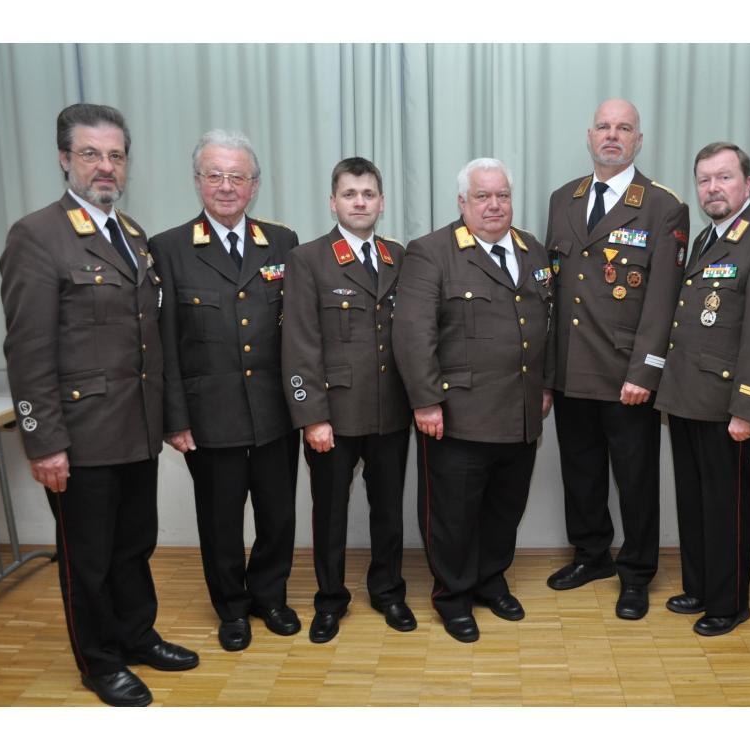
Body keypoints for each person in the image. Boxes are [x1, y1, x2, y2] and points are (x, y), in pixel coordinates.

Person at [0, 103, 198, 707]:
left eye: (115, 155)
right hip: (80, 436)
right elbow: (28, 350)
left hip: (134, 429)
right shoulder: (37, 235)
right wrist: (44, 442)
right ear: (65, 159)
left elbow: (147, 340)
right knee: (86, 559)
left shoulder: (131, 235)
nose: (105, 166)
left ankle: (137, 635)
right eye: (91, 154)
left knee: (134, 546)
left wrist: (167, 420)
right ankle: (100, 661)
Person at [149, 130, 301, 652]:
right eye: (215, 175)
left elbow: (297, 333)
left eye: (238, 176)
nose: (226, 186)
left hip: (276, 411)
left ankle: (270, 596)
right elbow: (165, 343)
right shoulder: (168, 248)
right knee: (220, 521)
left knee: (279, 515)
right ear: (197, 182)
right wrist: (175, 418)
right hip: (209, 416)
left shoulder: (281, 242)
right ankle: (232, 608)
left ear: (255, 185)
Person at [392, 158, 554, 642]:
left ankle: (490, 580)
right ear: (462, 202)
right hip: (457, 413)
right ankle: (454, 595)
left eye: (502, 195)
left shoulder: (531, 249)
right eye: (482, 196)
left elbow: (547, 324)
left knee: (505, 507)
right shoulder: (431, 252)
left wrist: (545, 385)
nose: (494, 205)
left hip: (520, 410)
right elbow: (413, 333)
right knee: (453, 515)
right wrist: (425, 402)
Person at [545, 98, 687, 619]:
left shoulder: (663, 206)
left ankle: (637, 572)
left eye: (623, 128)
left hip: (627, 372)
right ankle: (591, 555)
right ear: (590, 136)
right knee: (580, 471)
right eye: (603, 127)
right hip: (570, 367)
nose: (612, 135)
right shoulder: (563, 199)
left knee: (635, 479)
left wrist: (646, 371)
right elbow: (553, 291)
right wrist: (547, 373)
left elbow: (664, 299)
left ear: (638, 140)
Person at [655, 142, 750, 636]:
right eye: (705, 180)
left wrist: (748, 410)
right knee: (695, 501)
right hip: (687, 396)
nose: (713, 188)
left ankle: (729, 601)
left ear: (747, 183)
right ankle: (699, 586)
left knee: (726, 507)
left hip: (727, 405)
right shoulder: (707, 237)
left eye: (724, 177)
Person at [281, 157, 415, 644]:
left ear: (382, 202)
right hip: (333, 415)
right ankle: (330, 600)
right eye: (350, 194)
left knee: (389, 510)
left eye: (368, 194)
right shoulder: (308, 259)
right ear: (333, 202)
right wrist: (311, 416)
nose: (360, 202)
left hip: (390, 410)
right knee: (330, 513)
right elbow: (299, 343)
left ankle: (388, 591)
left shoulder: (399, 256)